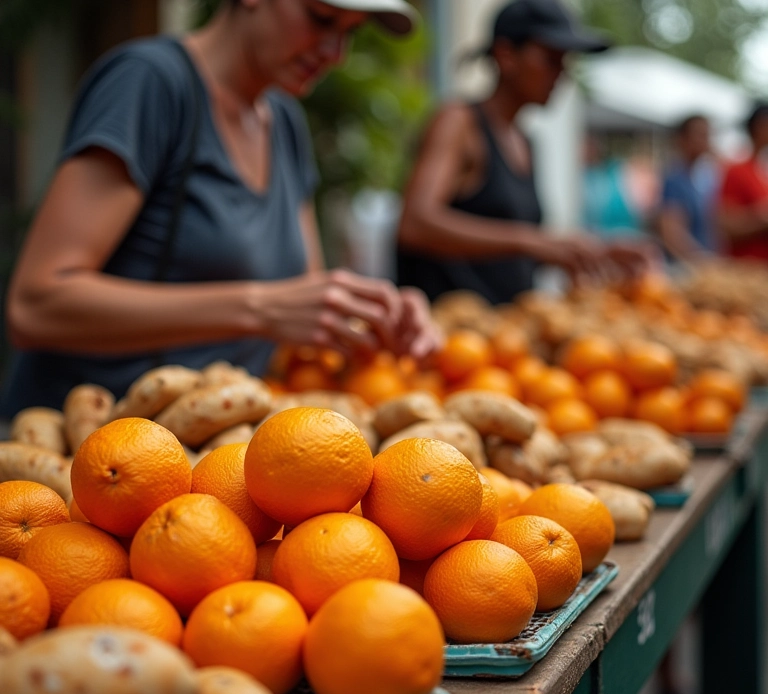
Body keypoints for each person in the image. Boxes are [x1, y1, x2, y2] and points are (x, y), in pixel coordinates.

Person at [1, 0, 440, 415]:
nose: (335, 53)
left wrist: (378, 318)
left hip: (217, 455)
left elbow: (302, 306)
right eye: (321, 19)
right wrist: (258, 308)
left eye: (350, 33)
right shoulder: (151, 84)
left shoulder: (284, 121)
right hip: (93, 454)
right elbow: (36, 304)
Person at [396, 0, 657, 306]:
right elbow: (415, 223)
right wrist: (528, 240)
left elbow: (508, 255)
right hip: (452, 339)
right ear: (506, 56)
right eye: (550, 59)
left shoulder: (525, 141)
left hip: (504, 339)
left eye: (566, 62)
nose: (562, 74)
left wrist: (590, 251)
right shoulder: (459, 123)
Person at [657, 114, 722, 264]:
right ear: (682, 139)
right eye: (700, 135)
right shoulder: (674, 178)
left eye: (708, 135)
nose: (706, 140)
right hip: (686, 266)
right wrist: (701, 259)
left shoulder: (706, 176)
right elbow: (672, 232)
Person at [718, 102, 768, 262]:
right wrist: (761, 218)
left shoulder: (761, 169)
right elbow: (727, 226)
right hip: (746, 267)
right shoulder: (737, 171)